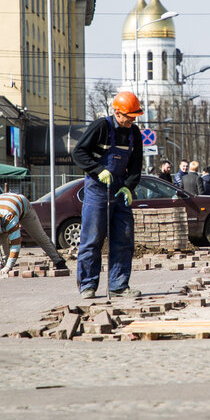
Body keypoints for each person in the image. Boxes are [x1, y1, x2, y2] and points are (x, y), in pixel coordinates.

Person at [72, 90, 144, 299]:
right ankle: (87, 285)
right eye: (129, 117)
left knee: (123, 239)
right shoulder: (101, 127)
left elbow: (136, 166)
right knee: (92, 239)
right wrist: (97, 170)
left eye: (134, 117)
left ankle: (118, 285)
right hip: (97, 188)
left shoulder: (134, 133)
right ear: (118, 113)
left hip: (119, 189)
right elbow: (79, 153)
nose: (131, 120)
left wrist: (129, 187)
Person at [0, 193, 68, 274]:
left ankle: (59, 262)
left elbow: (16, 244)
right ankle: (4, 265)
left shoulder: (9, 218)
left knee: (39, 236)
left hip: (24, 208)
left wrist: (8, 267)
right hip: (4, 204)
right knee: (1, 239)